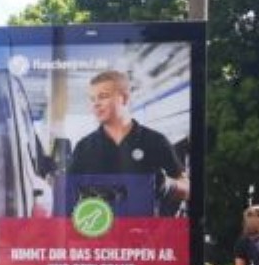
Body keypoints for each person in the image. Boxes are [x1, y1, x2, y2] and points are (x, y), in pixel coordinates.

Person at [67, 70, 189, 216]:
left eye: (103, 96)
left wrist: (167, 185)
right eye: (92, 99)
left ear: (124, 98)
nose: (96, 104)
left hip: (145, 229)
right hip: (98, 227)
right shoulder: (83, 147)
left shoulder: (156, 141)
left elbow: (187, 189)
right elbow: (67, 196)